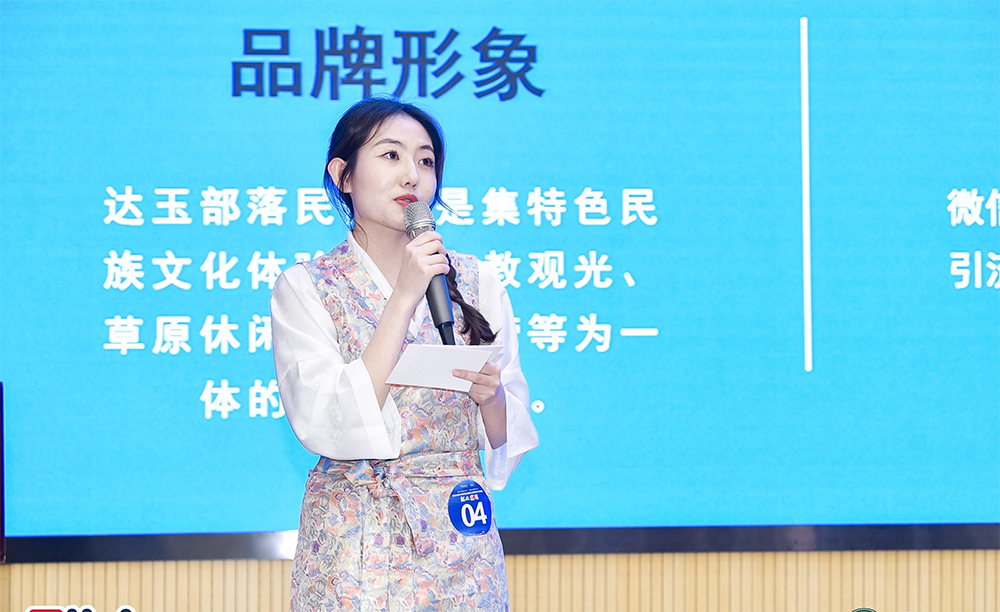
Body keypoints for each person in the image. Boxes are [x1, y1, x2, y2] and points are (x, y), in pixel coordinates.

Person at [270, 96, 539, 611]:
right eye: (391, 155)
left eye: (426, 161)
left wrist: (492, 400)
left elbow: (508, 437)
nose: (412, 175)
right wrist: (404, 295)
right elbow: (325, 422)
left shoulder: (477, 281)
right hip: (355, 549)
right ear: (343, 176)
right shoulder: (305, 287)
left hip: (461, 544)